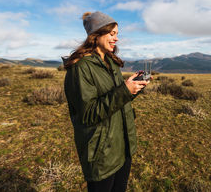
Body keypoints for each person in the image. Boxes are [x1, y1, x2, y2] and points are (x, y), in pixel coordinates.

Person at [63, 11, 149, 192]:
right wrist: (123, 91)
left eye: (117, 34)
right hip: (102, 153)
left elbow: (115, 101)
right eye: (112, 34)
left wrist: (132, 89)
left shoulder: (111, 63)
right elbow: (88, 113)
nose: (116, 38)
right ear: (97, 34)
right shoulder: (81, 68)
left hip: (122, 145)